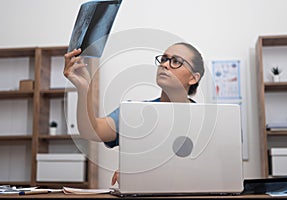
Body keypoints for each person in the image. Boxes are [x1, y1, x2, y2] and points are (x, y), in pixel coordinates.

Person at [64, 42, 205, 185]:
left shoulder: (206, 121)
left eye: (176, 61)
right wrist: (84, 89)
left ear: (193, 78)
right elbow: (91, 131)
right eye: (163, 59)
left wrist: (143, 170)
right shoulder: (134, 112)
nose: (165, 65)